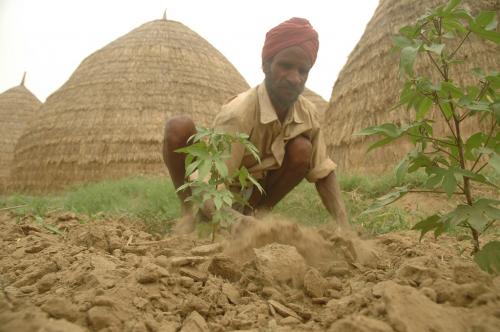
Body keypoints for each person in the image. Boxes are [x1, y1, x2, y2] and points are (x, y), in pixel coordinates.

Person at [163, 17, 350, 232]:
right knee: (178, 127)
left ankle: (257, 217)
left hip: (253, 194)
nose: (295, 78)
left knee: (302, 149)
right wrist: (232, 221)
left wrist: (345, 227)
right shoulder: (239, 113)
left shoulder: (306, 112)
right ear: (266, 65)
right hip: (215, 194)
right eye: (286, 66)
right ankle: (191, 215)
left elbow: (323, 171)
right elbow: (209, 185)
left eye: (302, 71)